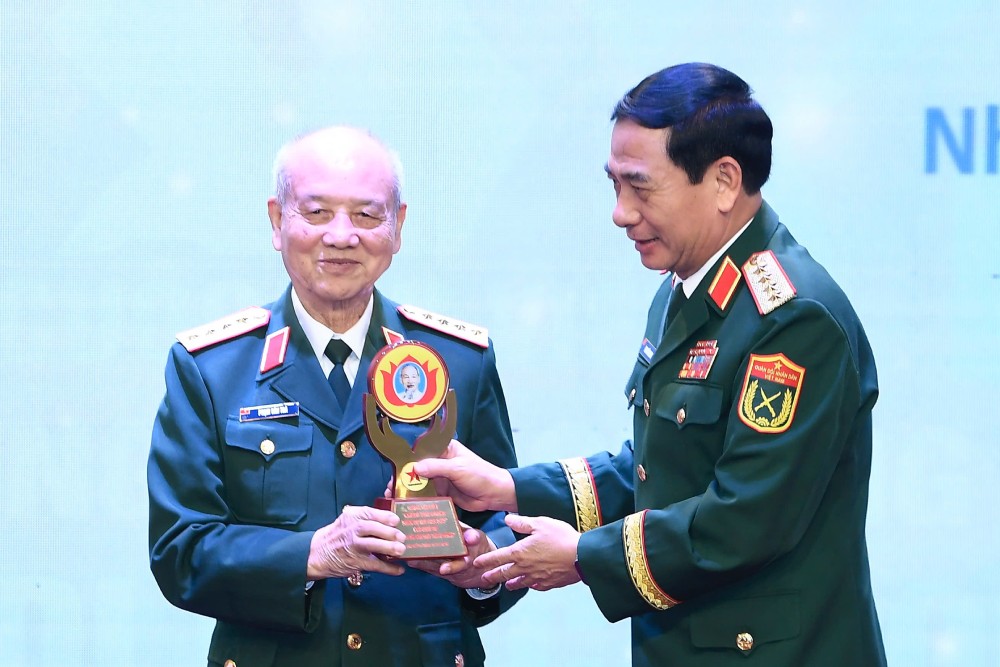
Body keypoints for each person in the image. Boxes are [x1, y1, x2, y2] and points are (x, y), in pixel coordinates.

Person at [414, 63, 887, 666]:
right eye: (614, 185)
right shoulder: (685, 287)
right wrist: (509, 488)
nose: (620, 212)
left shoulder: (793, 319)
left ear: (722, 181)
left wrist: (586, 557)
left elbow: (743, 520)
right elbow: (656, 465)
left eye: (641, 188)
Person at [148, 126, 524, 667]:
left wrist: (485, 570)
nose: (342, 236)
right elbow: (180, 552)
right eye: (317, 213)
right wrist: (311, 555)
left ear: (398, 228)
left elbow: (504, 523)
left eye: (368, 215)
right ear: (278, 222)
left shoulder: (458, 361)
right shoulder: (210, 368)